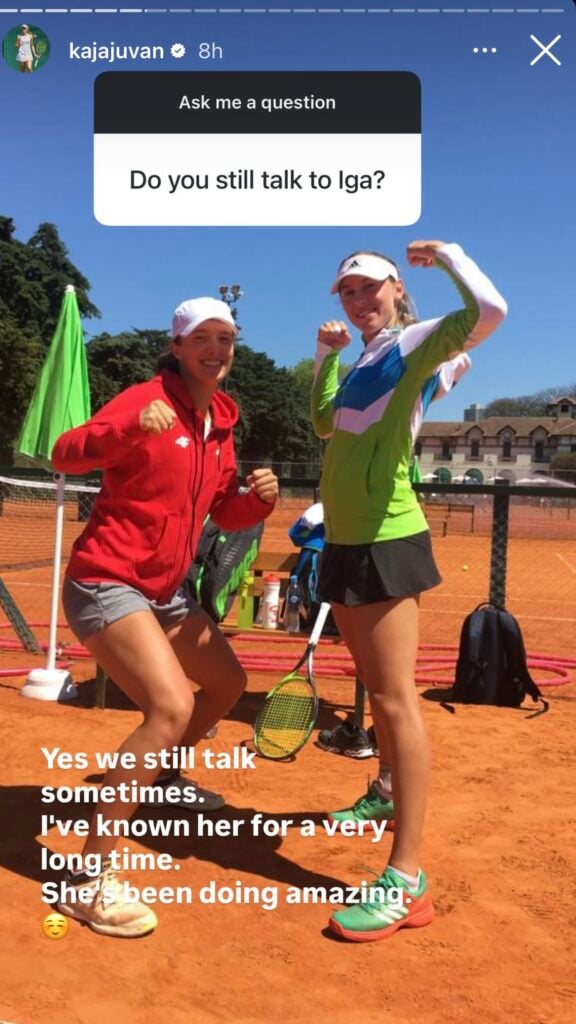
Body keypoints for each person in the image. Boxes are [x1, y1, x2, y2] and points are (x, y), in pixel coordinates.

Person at [51, 296, 278, 937]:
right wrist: (128, 429)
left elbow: (223, 511)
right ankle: (87, 880)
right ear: (177, 347)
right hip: (105, 581)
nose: (215, 350)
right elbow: (66, 453)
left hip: (164, 591)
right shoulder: (145, 399)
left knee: (228, 684)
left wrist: (257, 503)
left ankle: (157, 777)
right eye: (201, 338)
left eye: (225, 338)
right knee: (171, 707)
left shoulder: (221, 422)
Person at [311, 241, 507, 941]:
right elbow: (323, 424)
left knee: (396, 700)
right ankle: (387, 790)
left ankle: (406, 879)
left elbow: (490, 311)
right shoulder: (364, 358)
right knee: (375, 686)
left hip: (387, 536)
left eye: (370, 287)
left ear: (396, 288)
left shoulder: (414, 342)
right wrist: (324, 357)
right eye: (347, 291)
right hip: (344, 538)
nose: (358, 300)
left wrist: (450, 254)